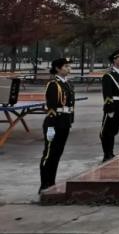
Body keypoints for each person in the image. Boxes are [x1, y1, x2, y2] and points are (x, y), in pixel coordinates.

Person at [39, 57, 75, 193]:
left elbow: (70, 105)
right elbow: (51, 107)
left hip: (64, 122)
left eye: (69, 66)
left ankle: (51, 182)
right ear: (57, 68)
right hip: (54, 123)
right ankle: (44, 184)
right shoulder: (54, 84)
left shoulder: (68, 84)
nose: (68, 68)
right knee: (49, 154)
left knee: (57, 154)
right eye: (65, 66)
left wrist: (70, 121)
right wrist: (50, 127)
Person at [100, 48, 119, 163]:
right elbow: (107, 94)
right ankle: (107, 154)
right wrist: (109, 108)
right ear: (114, 60)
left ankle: (111, 152)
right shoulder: (109, 75)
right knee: (106, 131)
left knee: (114, 130)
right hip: (112, 106)